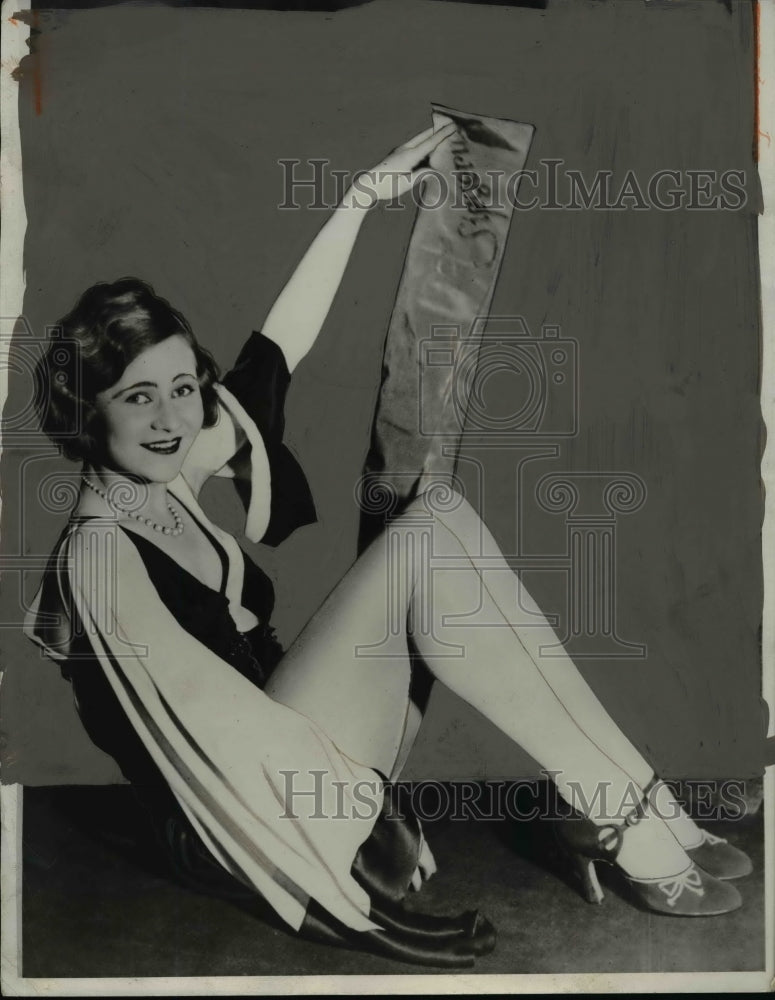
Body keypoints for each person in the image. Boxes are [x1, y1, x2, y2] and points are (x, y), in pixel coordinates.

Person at [24, 125, 752, 969]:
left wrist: (356, 204)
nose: (171, 418)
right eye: (137, 397)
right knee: (421, 541)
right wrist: (355, 892)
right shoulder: (95, 556)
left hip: (310, 754)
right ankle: (627, 818)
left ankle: (628, 802)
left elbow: (276, 350)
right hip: (243, 811)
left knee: (433, 516)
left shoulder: (166, 466)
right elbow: (210, 739)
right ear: (89, 412)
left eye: (184, 388)